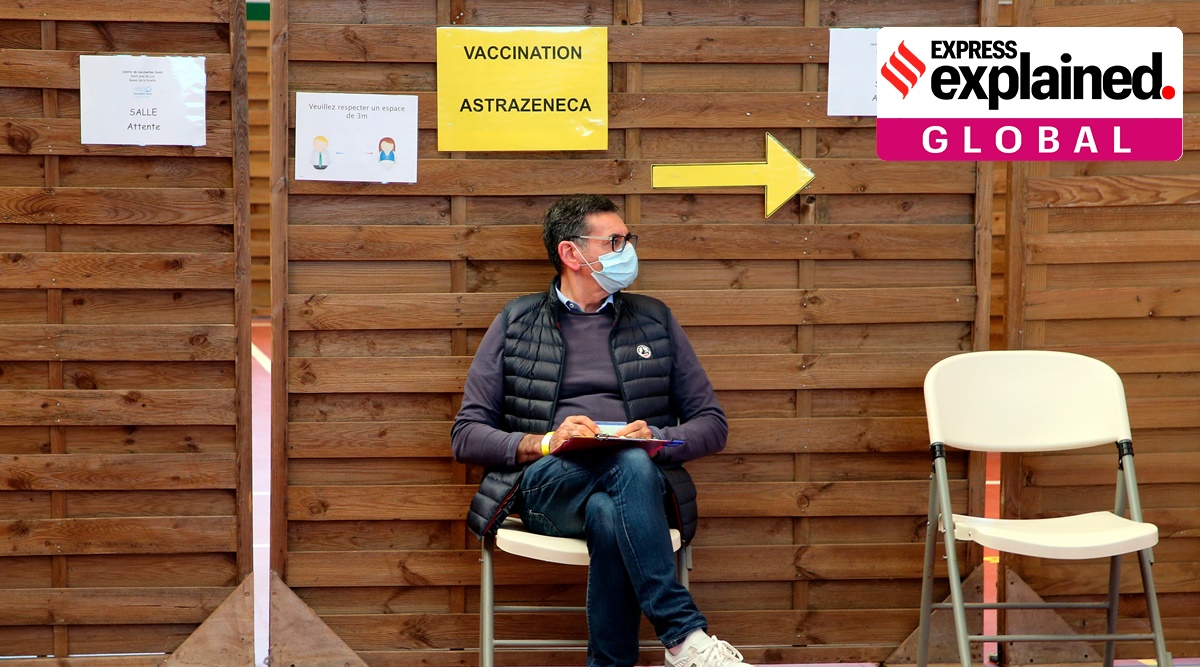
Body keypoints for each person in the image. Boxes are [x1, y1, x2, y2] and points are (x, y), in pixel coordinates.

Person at [452, 194, 752, 667]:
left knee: (614, 503)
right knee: (623, 468)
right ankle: (683, 636)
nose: (626, 248)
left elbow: (712, 426)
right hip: (550, 485)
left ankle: (641, 655)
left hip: (636, 486)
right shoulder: (516, 321)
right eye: (614, 240)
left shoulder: (654, 319)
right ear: (572, 253)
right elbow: (466, 434)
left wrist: (653, 439)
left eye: (627, 238)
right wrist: (549, 441)